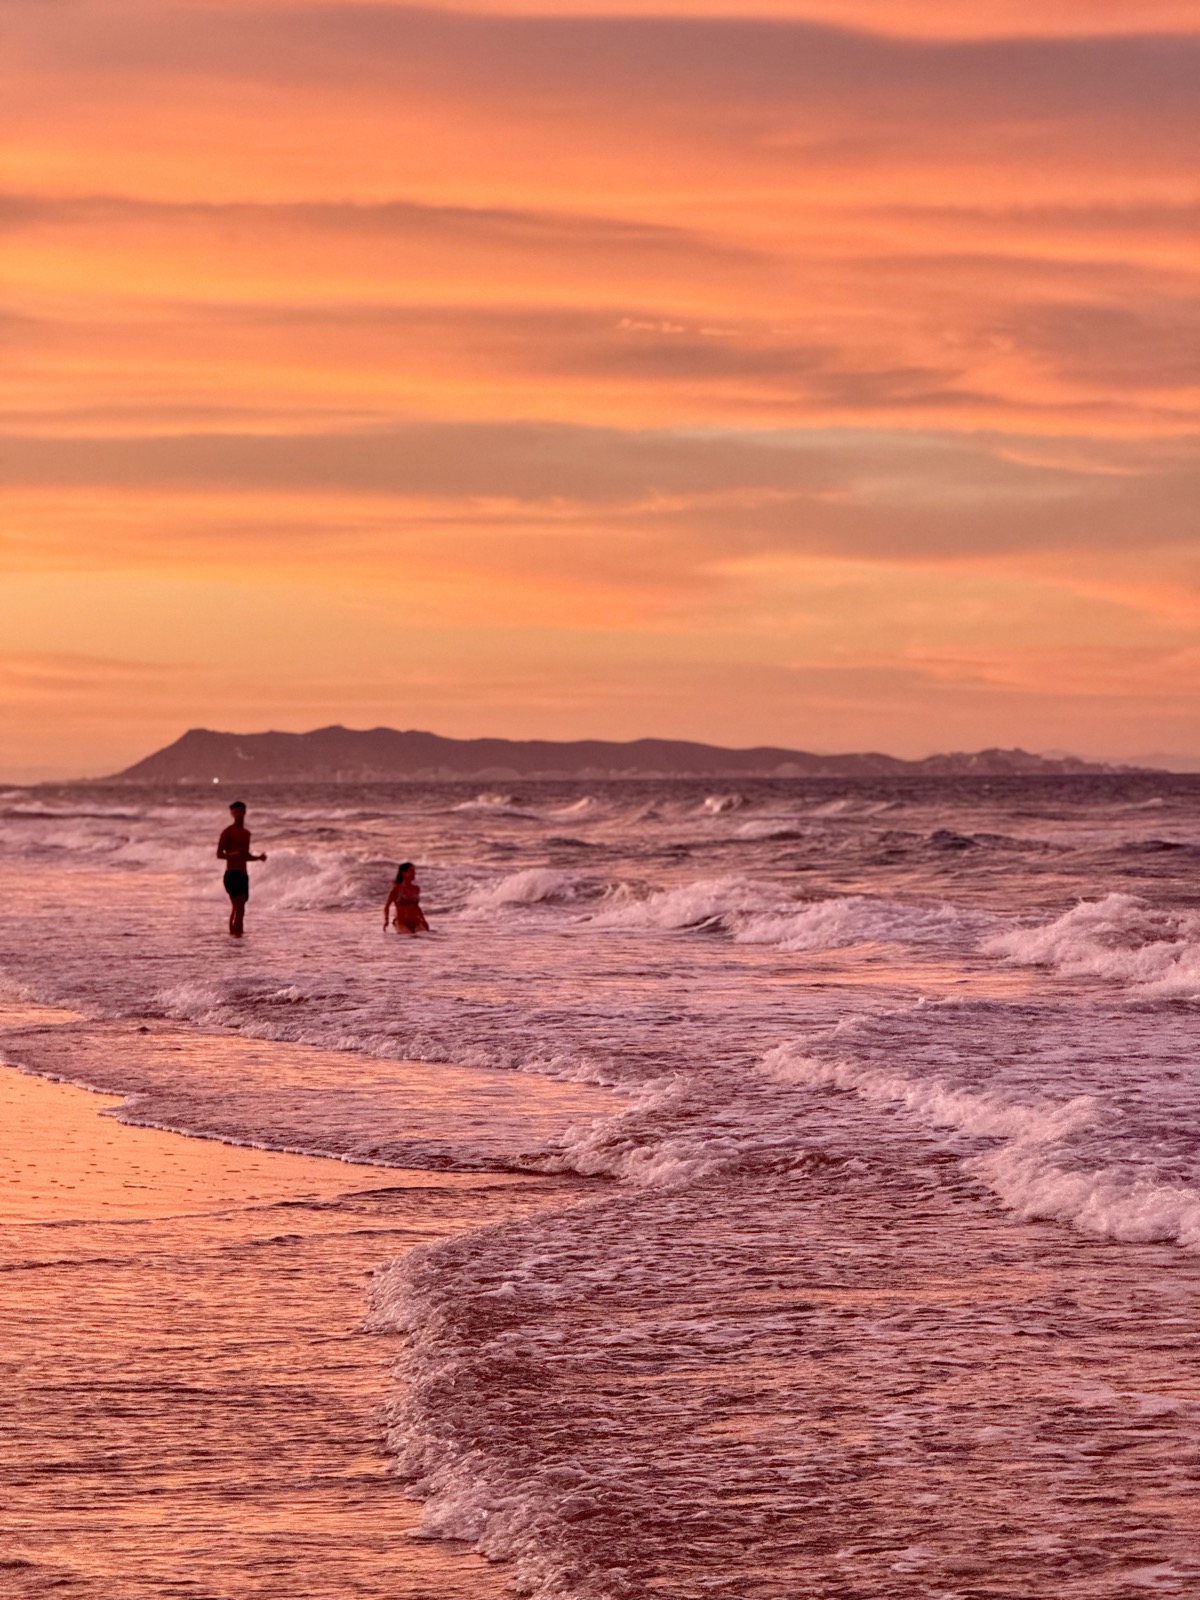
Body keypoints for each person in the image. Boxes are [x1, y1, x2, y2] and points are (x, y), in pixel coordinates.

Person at [216, 800, 267, 937]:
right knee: (240, 910)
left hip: (243, 874)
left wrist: (258, 858)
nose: (239, 814)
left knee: (238, 909)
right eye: (236, 811)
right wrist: (233, 854)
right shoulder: (227, 832)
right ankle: (238, 940)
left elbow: (245, 856)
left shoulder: (246, 833)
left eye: (241, 811)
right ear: (232, 813)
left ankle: (234, 939)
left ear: (245, 812)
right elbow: (219, 854)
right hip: (231, 874)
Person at [383, 862, 429, 935]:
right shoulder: (396, 889)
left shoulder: (416, 889)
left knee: (423, 936)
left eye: (414, 872)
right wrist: (386, 920)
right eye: (411, 871)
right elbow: (387, 906)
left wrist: (423, 920)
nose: (414, 874)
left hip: (415, 921)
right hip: (401, 922)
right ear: (403, 873)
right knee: (407, 938)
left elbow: (416, 907)